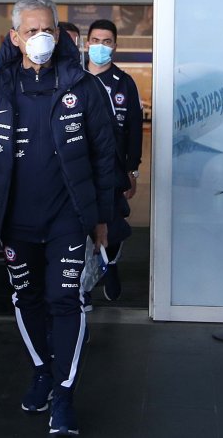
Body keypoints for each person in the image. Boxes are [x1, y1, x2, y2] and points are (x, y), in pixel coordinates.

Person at [0, 0, 115, 437]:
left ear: (59, 34)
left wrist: (104, 220)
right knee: (27, 299)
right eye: (30, 31)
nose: (40, 38)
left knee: (65, 300)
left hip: (68, 217)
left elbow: (105, 157)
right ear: (14, 38)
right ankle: (42, 372)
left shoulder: (82, 86)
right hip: (14, 218)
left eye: (47, 30)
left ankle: (65, 396)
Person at [85, 19, 144, 300]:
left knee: (115, 222)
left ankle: (112, 264)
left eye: (106, 41)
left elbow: (134, 129)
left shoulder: (124, 83)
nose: (100, 46)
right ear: (86, 44)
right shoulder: (74, 78)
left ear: (115, 46)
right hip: (81, 167)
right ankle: (85, 278)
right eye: (95, 40)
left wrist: (133, 171)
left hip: (114, 168)